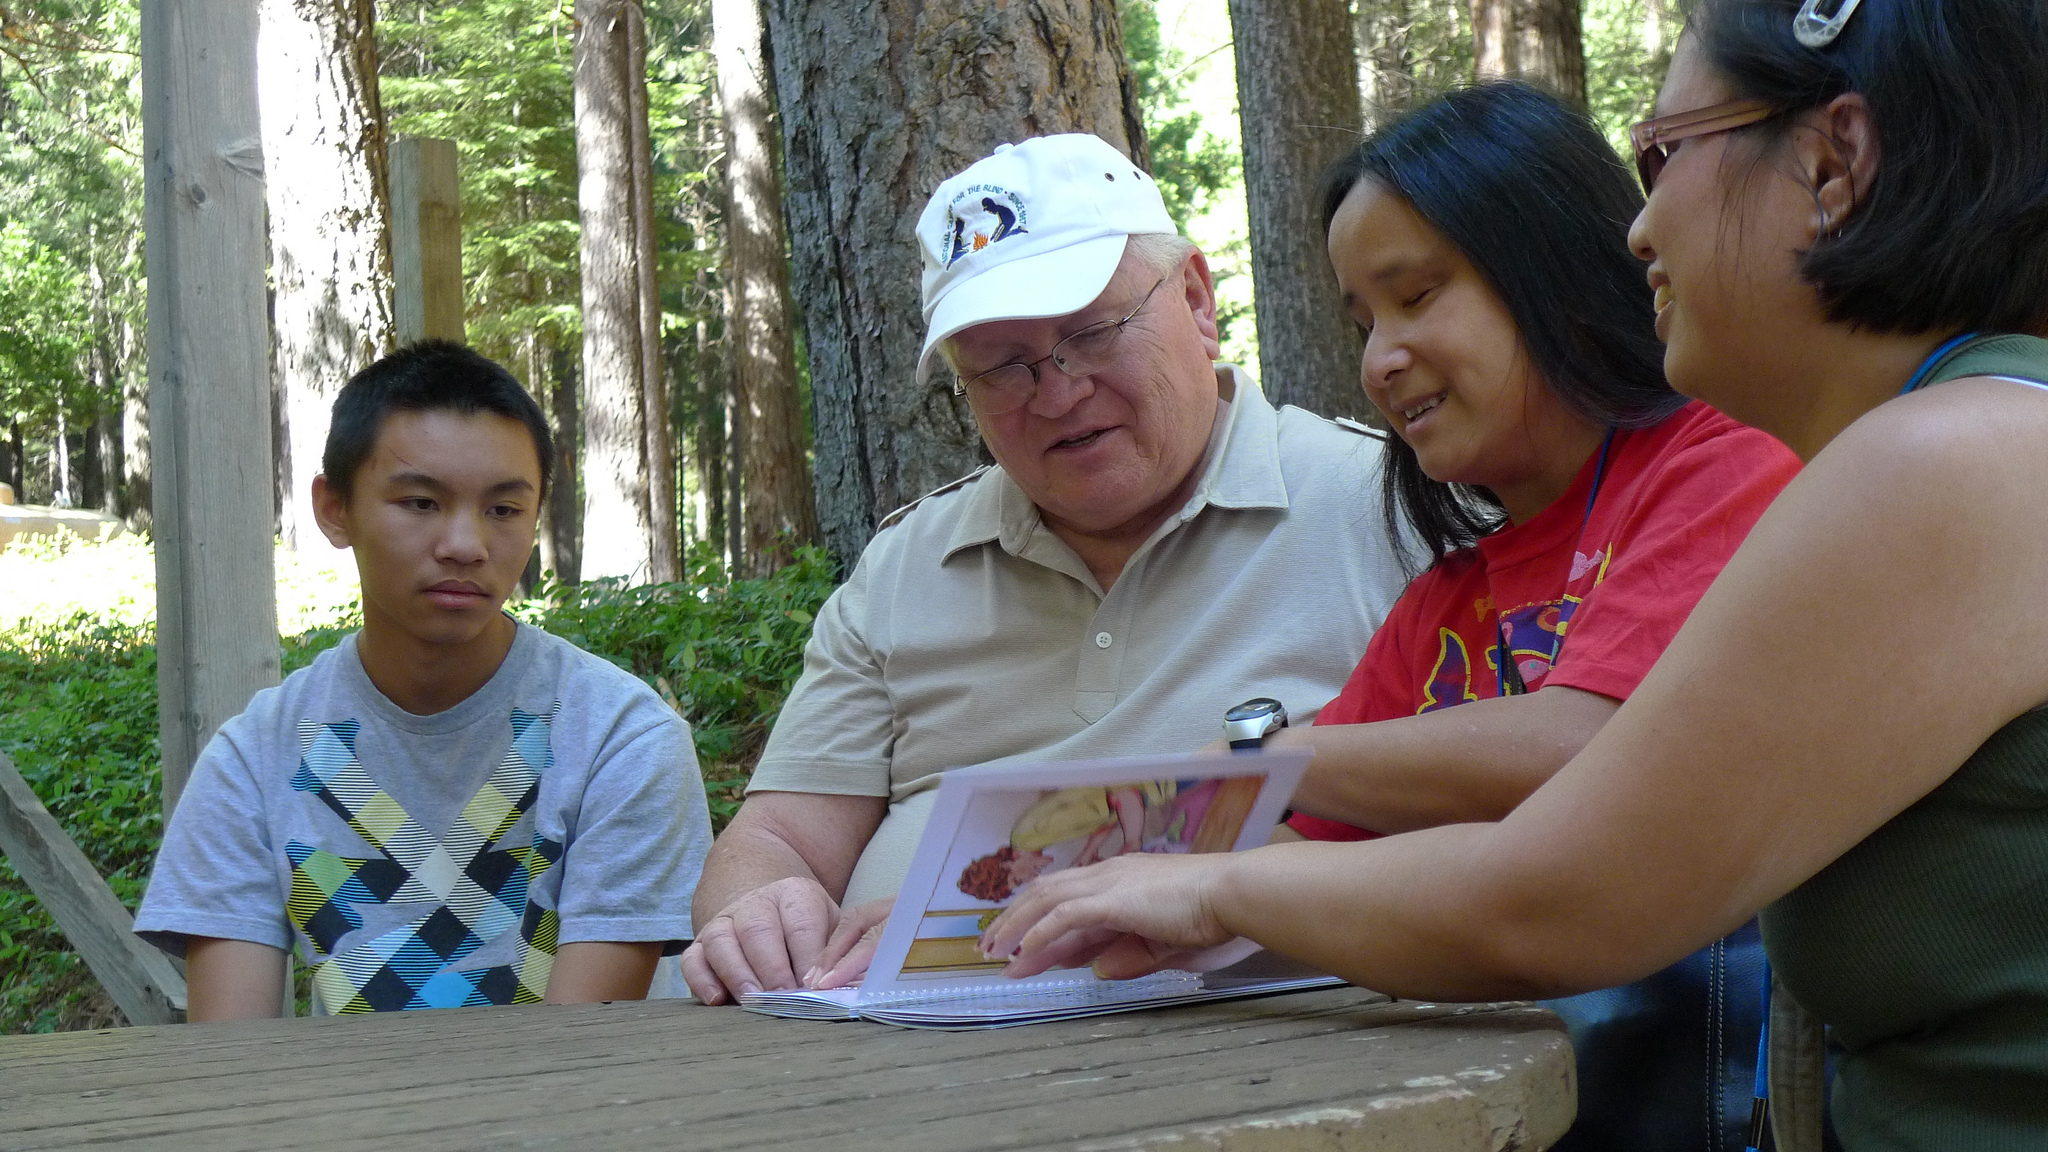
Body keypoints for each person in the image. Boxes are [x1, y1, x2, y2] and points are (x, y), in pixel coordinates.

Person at [984, 0, 2048, 1145]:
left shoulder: (1948, 459)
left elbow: (1565, 894)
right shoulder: (1959, 439)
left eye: (1662, 156)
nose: (1636, 230)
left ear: (1831, 162)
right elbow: (1338, 855)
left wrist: (1213, 877)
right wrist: (1031, 904)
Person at [679, 133, 1415, 1005]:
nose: (1058, 393)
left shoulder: (1390, 505)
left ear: (1196, 298)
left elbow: (1511, 820)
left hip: (1277, 1048)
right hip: (892, 1057)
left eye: (1093, 333)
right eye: (1002, 368)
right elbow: (781, 836)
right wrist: (764, 908)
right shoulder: (908, 565)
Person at [1220, 83, 1796, 1152]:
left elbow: (1590, 743)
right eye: (1362, 320)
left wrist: (1273, 761)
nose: (1379, 359)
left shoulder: (1720, 467)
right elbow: (1283, 851)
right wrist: (1026, 910)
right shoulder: (1444, 604)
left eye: (1415, 294)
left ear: (1556, 267)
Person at [134, 342, 714, 1018]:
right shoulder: (253, 759)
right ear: (334, 509)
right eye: (419, 503)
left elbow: (582, 1056)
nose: (465, 544)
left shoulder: (625, 740)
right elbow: (232, 1056)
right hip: (346, 1120)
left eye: (503, 510)